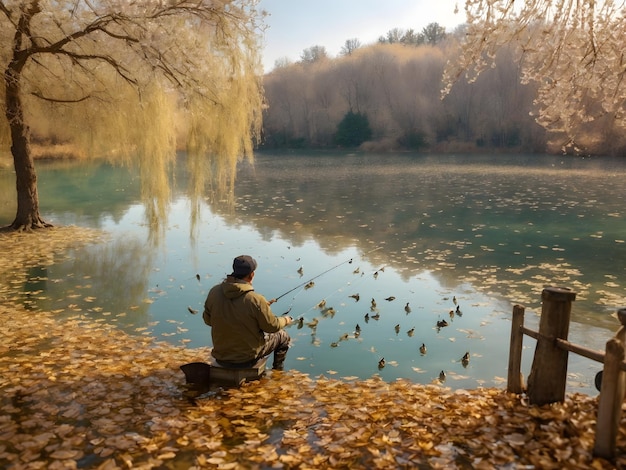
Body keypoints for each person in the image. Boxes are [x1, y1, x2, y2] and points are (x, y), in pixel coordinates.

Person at [203, 255, 293, 370]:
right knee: (283, 336)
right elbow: (272, 326)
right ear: (252, 275)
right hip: (247, 358)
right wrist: (286, 320)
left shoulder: (214, 292)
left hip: (221, 356)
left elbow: (208, 320)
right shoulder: (255, 299)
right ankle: (277, 372)